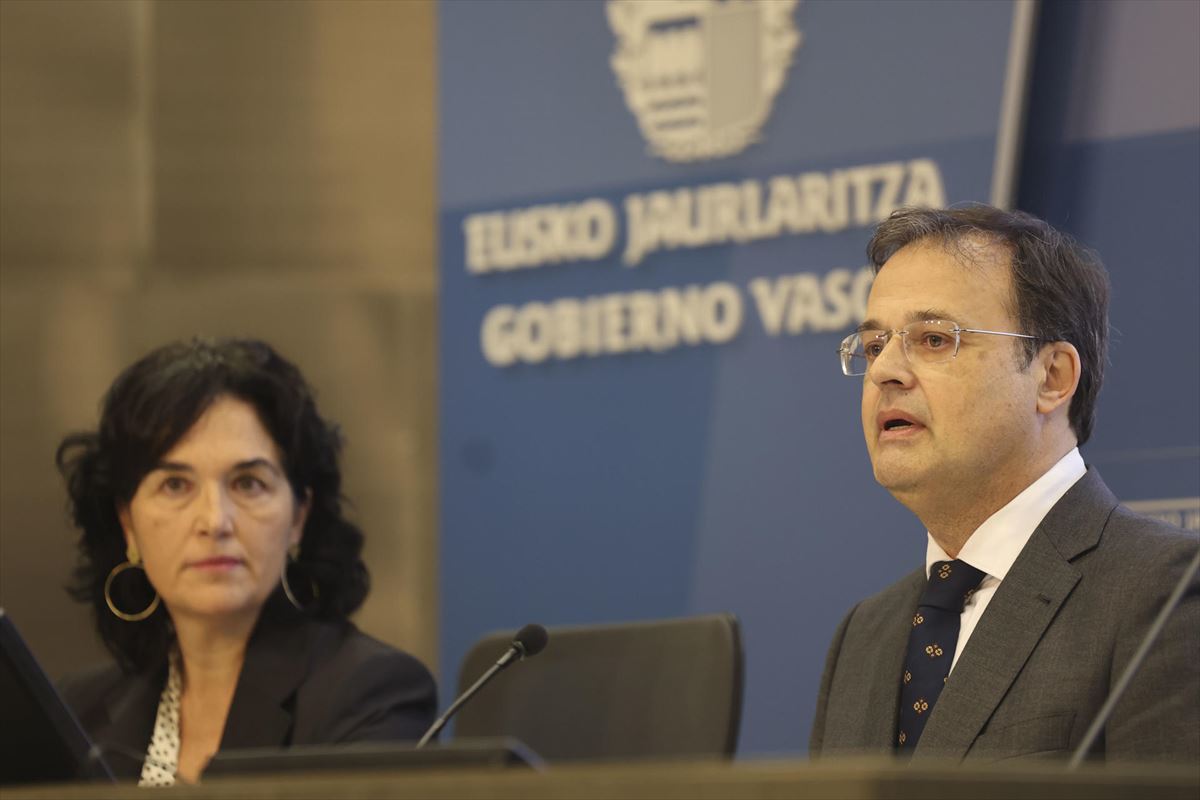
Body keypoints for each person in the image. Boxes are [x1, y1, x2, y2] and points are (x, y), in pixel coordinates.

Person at [810, 205, 1198, 763]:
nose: (884, 371)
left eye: (934, 339)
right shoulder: (863, 636)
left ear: (1052, 377)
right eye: (874, 346)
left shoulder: (1165, 596)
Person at [56, 337, 436, 784]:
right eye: (176, 485)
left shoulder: (370, 696)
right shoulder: (76, 713)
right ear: (129, 525)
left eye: (248, 484)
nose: (215, 521)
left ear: (298, 517)